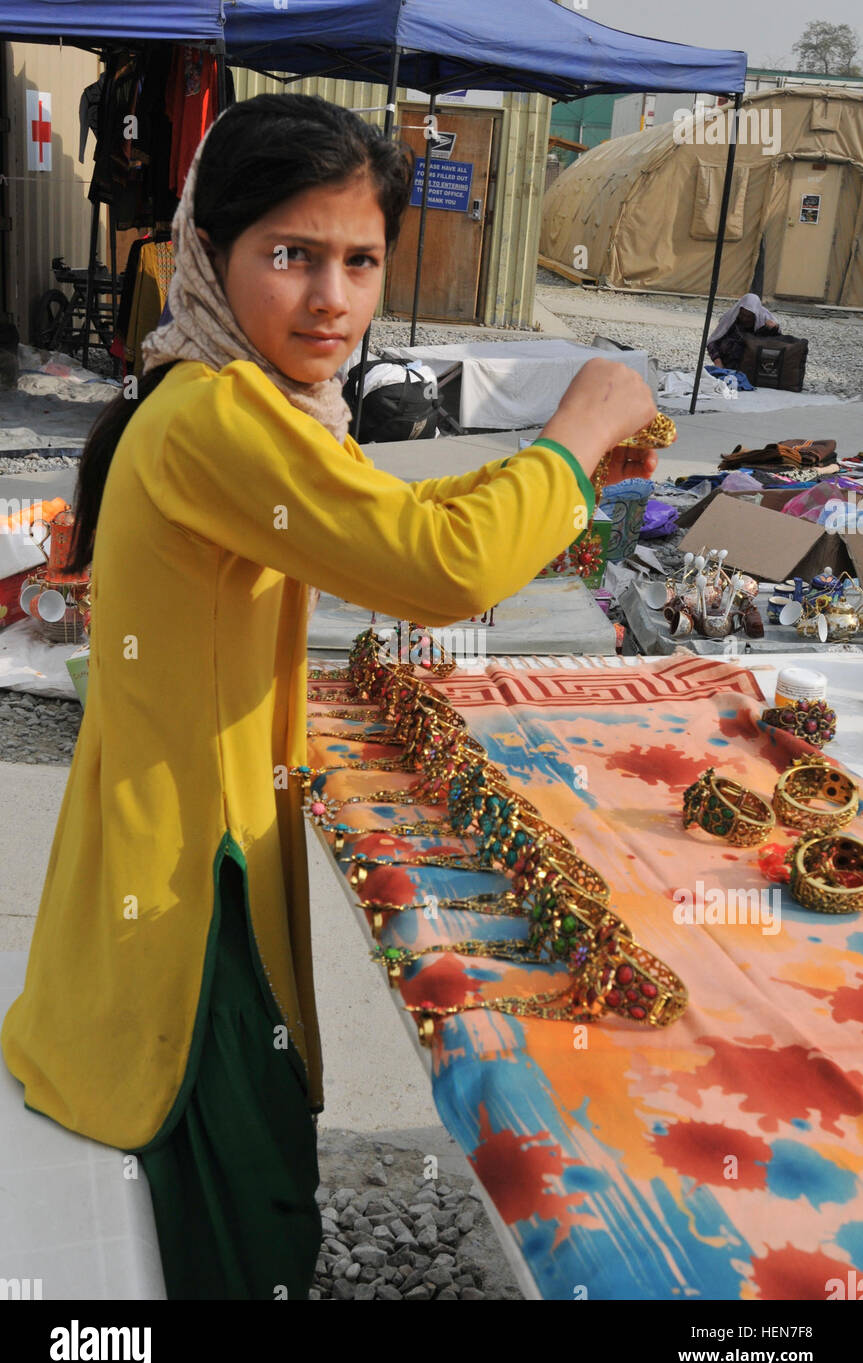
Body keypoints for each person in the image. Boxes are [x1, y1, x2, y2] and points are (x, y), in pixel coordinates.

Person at [0, 93, 657, 1301]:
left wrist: (534, 482)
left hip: (191, 833)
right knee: (240, 1188)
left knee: (234, 1163)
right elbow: (433, 565)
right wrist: (570, 439)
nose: (331, 299)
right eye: (290, 256)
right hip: (193, 880)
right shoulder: (217, 416)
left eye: (360, 260)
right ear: (209, 250)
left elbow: (387, 526)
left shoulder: (217, 394)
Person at [707, 292, 780, 371]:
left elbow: (776, 344)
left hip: (753, 371)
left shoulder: (762, 323)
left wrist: (774, 328)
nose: (745, 319)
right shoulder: (731, 322)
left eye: (749, 316)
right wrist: (718, 363)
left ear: (756, 315)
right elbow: (713, 342)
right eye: (742, 315)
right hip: (728, 367)